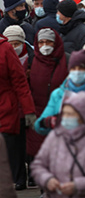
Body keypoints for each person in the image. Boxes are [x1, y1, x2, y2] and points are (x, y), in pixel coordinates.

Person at [31, 92, 85, 198]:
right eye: (64, 114)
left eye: (71, 114)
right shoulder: (55, 137)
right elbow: (38, 165)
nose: (65, 118)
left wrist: (79, 185)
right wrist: (47, 179)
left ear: (84, 116)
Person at [34, 50, 85, 135]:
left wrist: (80, 122)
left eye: (81, 68)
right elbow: (40, 124)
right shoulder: (58, 94)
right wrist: (46, 123)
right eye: (74, 68)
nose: (77, 72)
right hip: (63, 142)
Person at [27, 28, 68, 169]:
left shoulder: (67, 60)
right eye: (41, 42)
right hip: (39, 115)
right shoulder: (32, 62)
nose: (44, 46)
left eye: (48, 42)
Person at [0, 31, 36, 191]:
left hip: (7, 106)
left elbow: (20, 81)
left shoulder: (5, 49)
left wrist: (29, 110)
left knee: (12, 146)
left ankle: (19, 178)